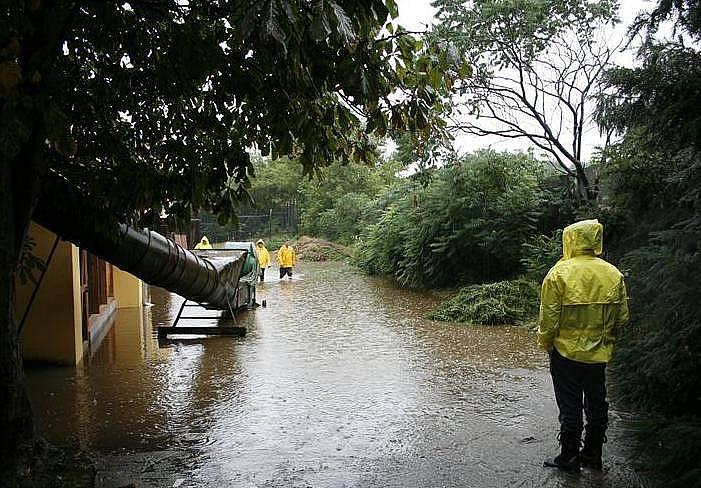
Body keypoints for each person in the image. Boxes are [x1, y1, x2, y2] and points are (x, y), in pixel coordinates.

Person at [537, 219, 629, 472]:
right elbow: (622, 318)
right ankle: (593, 455)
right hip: (599, 353)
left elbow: (549, 318)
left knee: (570, 406)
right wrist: (606, 340)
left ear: (570, 240)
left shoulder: (558, 274)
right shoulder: (613, 273)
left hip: (565, 354)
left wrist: (547, 344)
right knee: (597, 404)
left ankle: (569, 458)